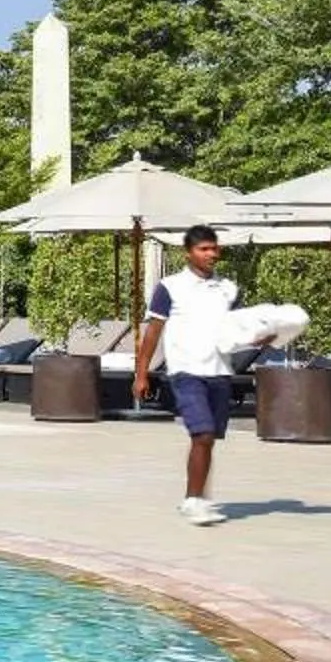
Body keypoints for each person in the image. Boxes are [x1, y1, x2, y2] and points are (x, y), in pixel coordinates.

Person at [134, 225, 237, 525]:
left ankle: (199, 497)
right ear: (188, 253)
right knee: (202, 433)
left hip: (220, 372)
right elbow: (153, 333)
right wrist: (141, 374)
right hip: (185, 372)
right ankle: (193, 500)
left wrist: (265, 335)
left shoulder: (228, 289)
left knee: (208, 439)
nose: (211, 254)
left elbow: (240, 328)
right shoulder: (170, 287)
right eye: (204, 249)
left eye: (214, 248)